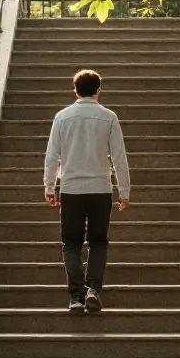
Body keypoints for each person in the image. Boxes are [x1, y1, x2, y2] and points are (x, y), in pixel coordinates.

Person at [44, 69, 130, 312]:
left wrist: (50, 187)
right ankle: (93, 289)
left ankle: (76, 297)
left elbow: (52, 157)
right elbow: (119, 158)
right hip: (100, 189)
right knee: (98, 242)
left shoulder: (61, 117)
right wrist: (123, 191)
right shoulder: (109, 117)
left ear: (76, 91)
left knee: (71, 243)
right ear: (98, 91)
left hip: (71, 189)